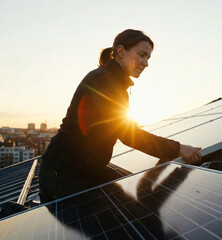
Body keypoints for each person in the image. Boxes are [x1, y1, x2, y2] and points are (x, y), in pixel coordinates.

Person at [38, 29, 202, 203]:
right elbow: (128, 134)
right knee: (124, 216)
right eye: (141, 55)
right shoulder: (103, 81)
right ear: (121, 52)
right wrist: (178, 149)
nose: (146, 63)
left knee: (128, 209)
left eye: (148, 58)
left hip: (84, 170)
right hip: (64, 175)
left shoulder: (113, 81)